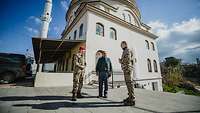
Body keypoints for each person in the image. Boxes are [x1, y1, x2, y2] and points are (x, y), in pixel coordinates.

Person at [119, 41, 136, 106]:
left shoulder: (127, 50)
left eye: (122, 45)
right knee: (128, 83)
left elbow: (128, 59)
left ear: (125, 44)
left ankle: (132, 99)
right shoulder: (125, 50)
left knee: (129, 83)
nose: (121, 46)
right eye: (121, 45)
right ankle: (130, 97)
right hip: (126, 68)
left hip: (127, 69)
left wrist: (121, 61)